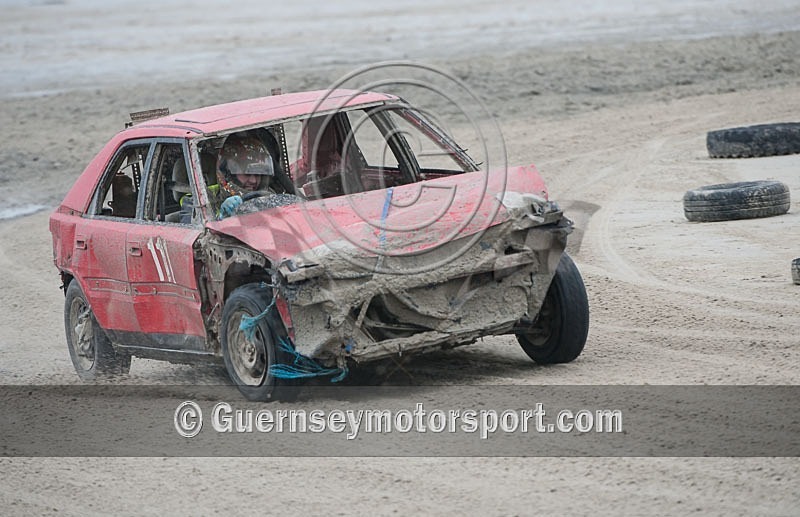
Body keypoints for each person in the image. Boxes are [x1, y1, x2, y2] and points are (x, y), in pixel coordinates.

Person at [179, 133, 276, 222]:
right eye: (247, 174)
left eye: (258, 175)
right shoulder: (195, 202)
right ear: (227, 174)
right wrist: (220, 219)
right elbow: (191, 235)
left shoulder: (271, 197)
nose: (253, 180)